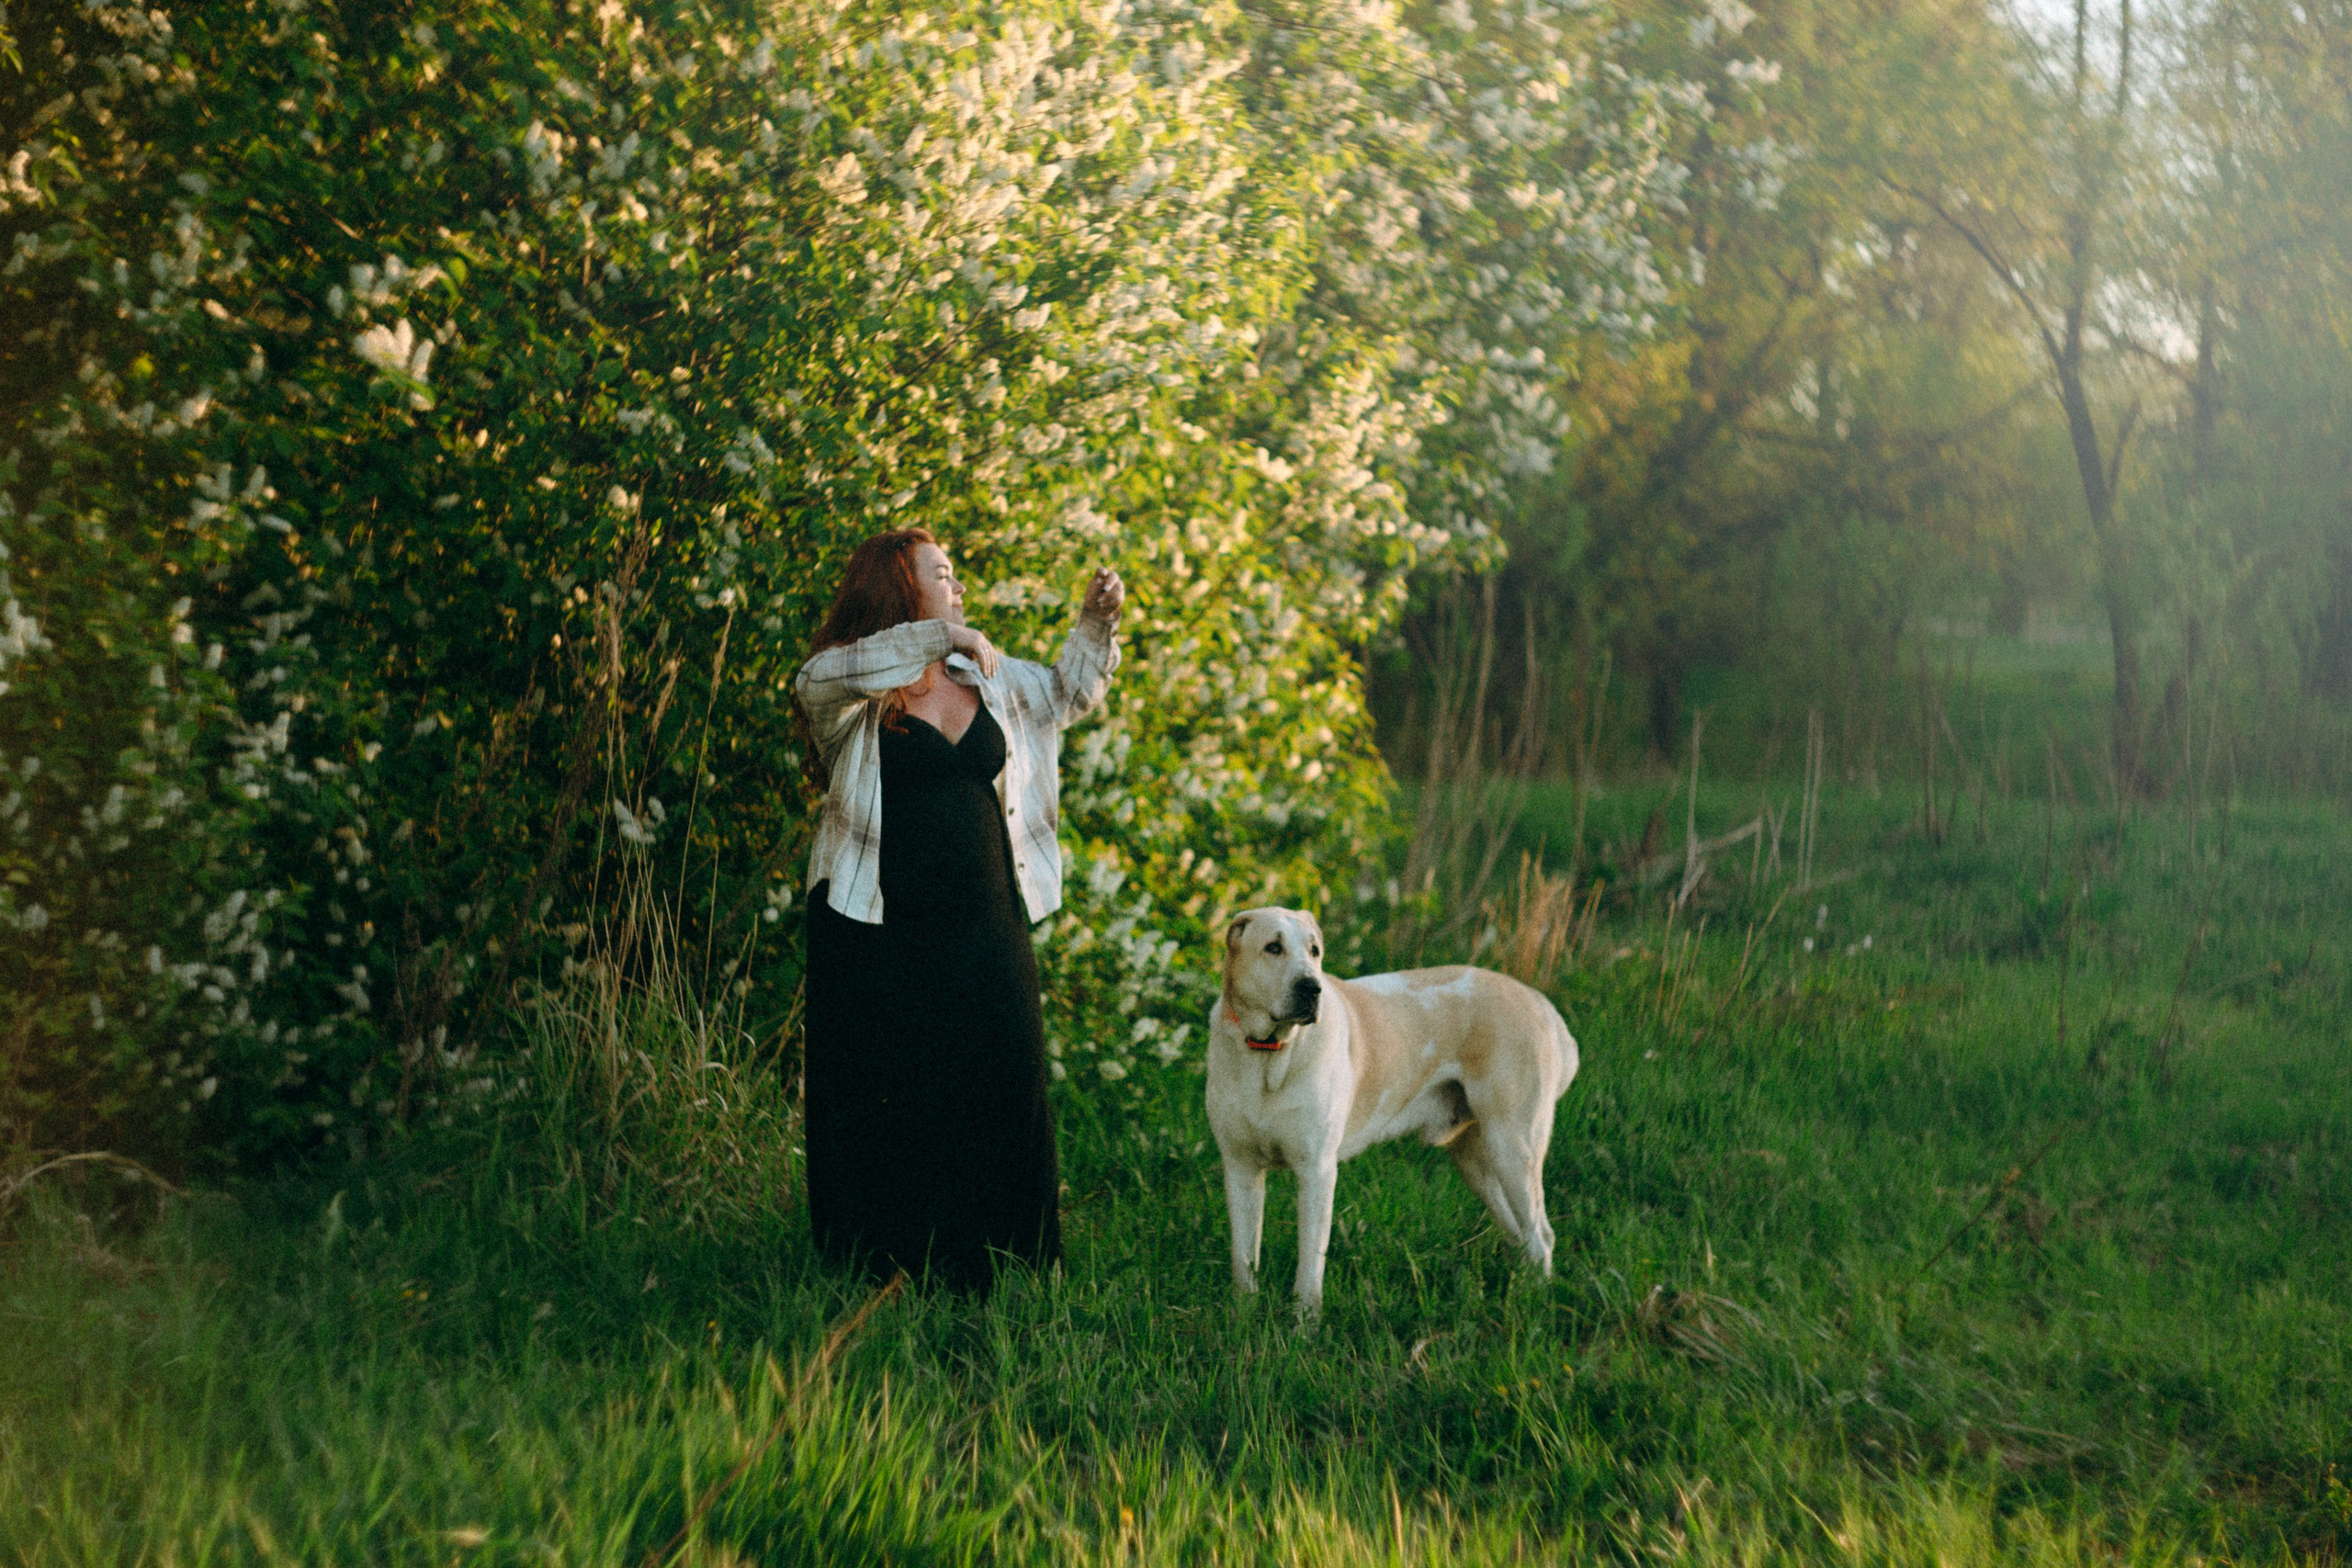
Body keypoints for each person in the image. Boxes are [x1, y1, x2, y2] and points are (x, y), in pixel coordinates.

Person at [793, 528, 1124, 1293]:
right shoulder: (856, 687)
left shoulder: (986, 675)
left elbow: (1068, 693)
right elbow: (814, 676)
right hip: (874, 925)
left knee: (1006, 1076)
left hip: (987, 919)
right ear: (900, 587)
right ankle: (889, 1270)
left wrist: (1095, 623)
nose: (959, 588)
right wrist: (942, 636)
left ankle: (1010, 1267)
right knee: (897, 1090)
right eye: (942, 574)